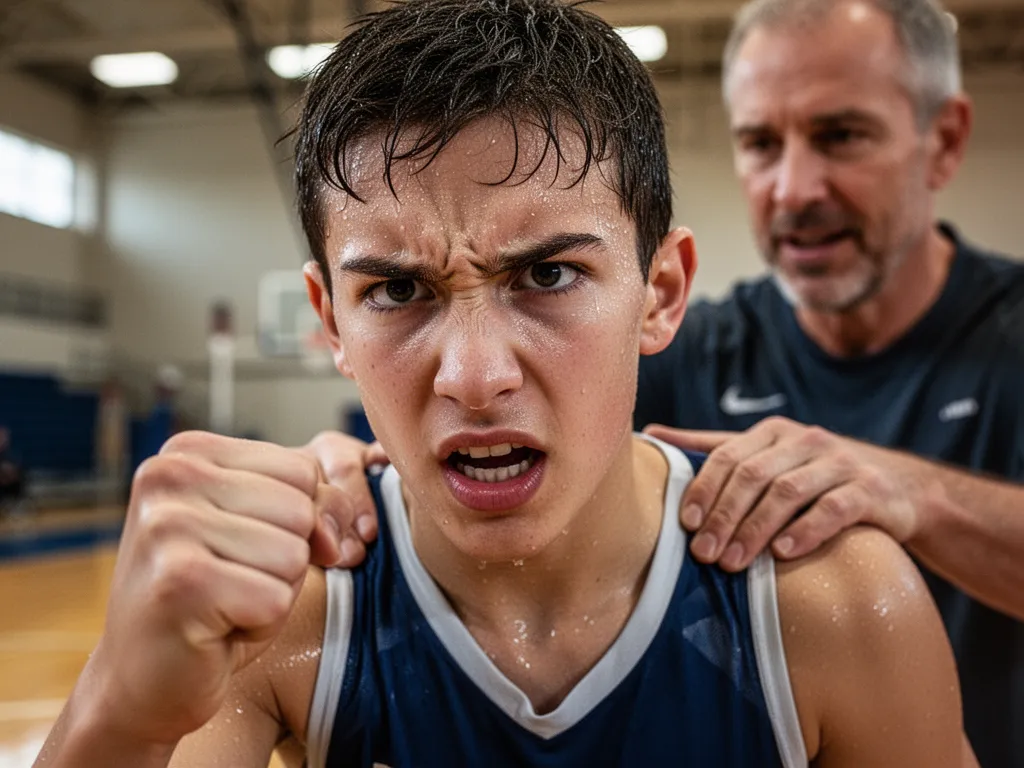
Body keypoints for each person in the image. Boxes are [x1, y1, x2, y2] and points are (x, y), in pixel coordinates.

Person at [34, 1, 973, 767]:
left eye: (548, 275)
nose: (475, 378)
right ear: (330, 322)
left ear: (662, 292)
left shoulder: (833, 602)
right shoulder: (288, 614)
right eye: (397, 290)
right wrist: (121, 710)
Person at [308, 0, 1024, 764]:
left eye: (840, 136)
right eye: (759, 143)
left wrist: (916, 497)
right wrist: (336, 472)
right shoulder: (693, 345)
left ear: (943, 142)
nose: (793, 188)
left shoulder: (1004, 344)